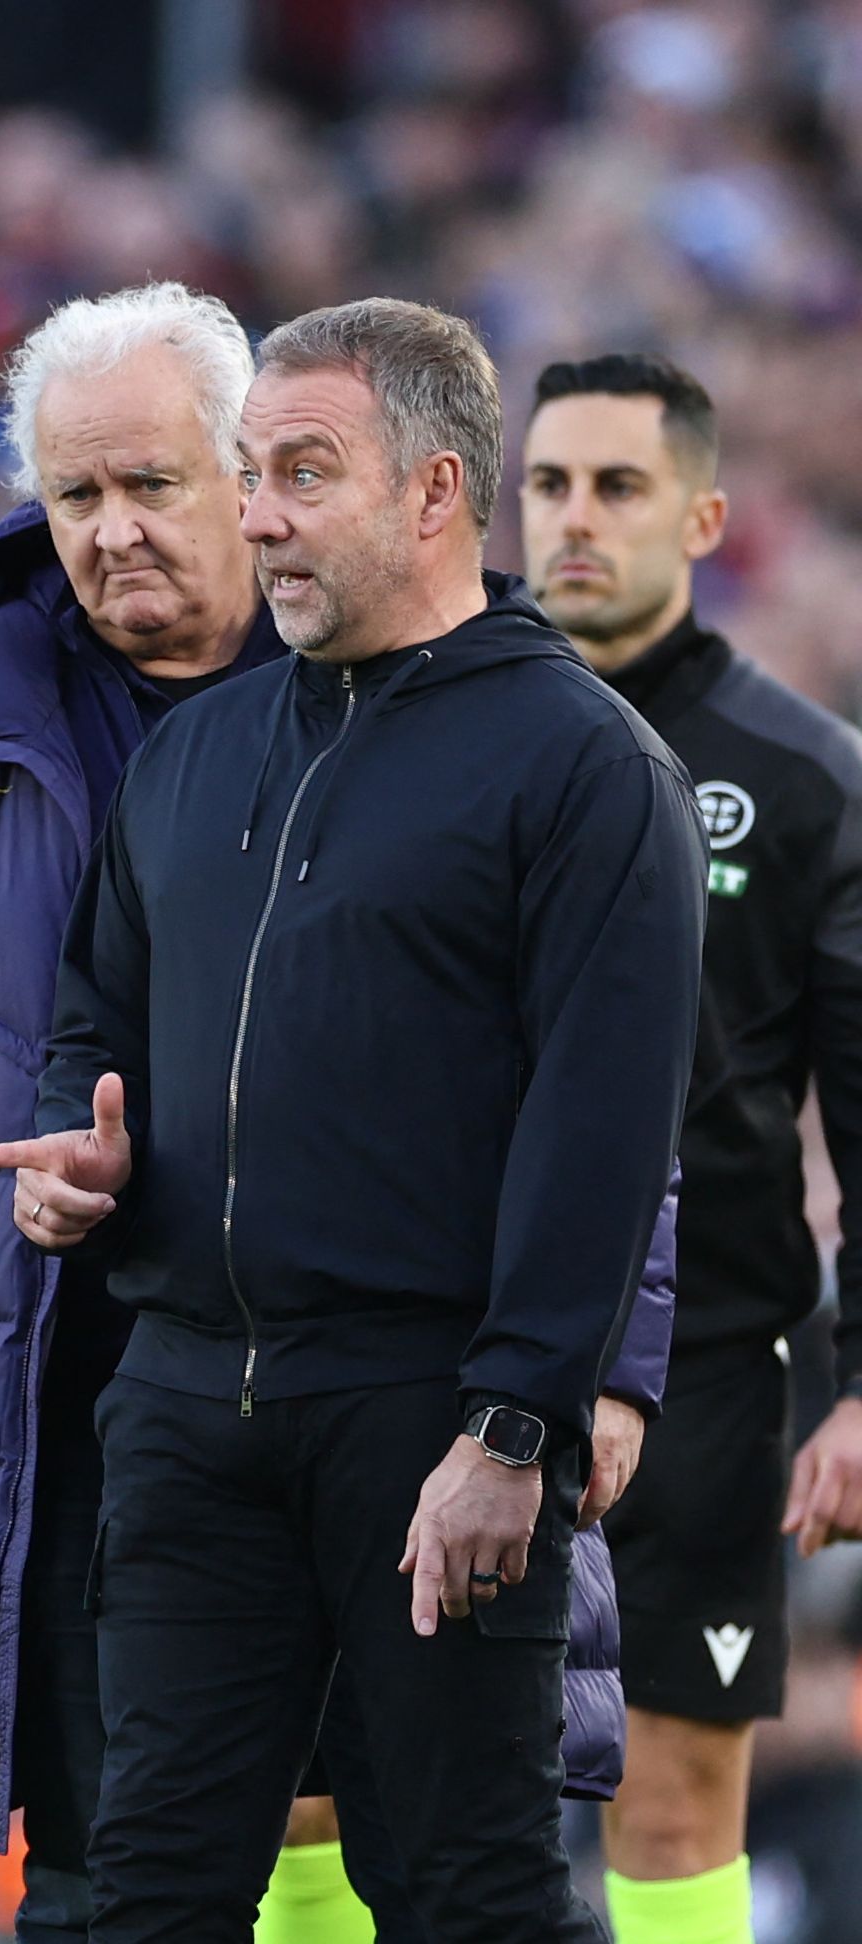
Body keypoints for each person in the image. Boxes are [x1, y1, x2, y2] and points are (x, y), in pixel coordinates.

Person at [0, 285, 665, 1944]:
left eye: (262, 473)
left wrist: (549, 1407)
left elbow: (606, 1116)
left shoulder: (563, 754)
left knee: (464, 1880)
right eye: (77, 497)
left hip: (424, 1399)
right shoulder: (79, 744)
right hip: (132, 1405)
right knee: (125, 1883)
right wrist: (48, 1187)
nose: (132, 527)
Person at [521, 351, 862, 1944]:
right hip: (441, 1346)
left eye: (619, 487)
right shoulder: (423, 736)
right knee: (336, 1791)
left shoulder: (804, 776)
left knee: (670, 1807)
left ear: (707, 515)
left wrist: (861, 1383)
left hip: (715, 1363)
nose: (575, 521)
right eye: (549, 484)